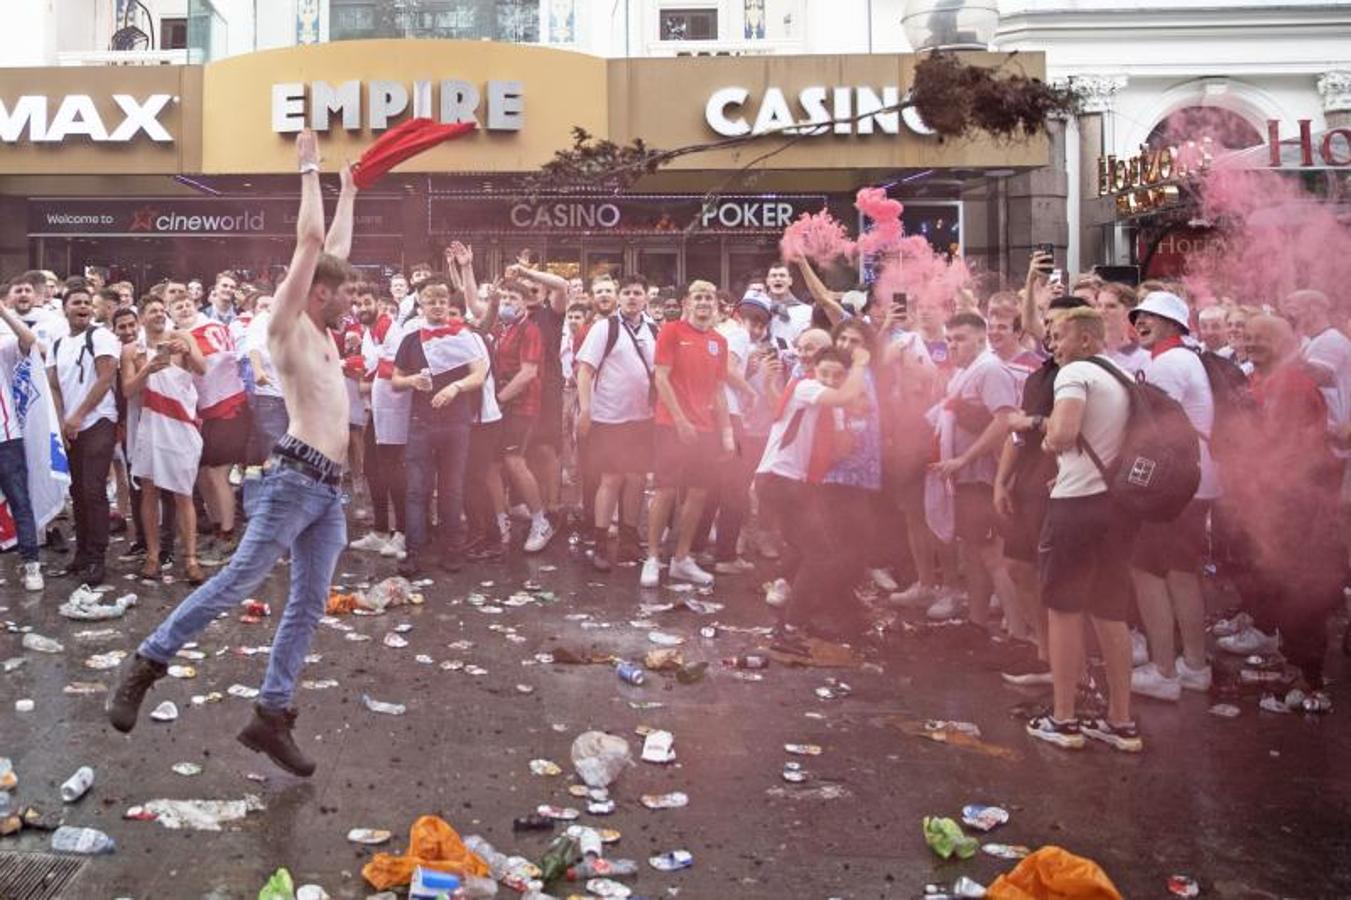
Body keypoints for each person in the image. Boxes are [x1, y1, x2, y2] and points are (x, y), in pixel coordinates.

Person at [108, 131, 359, 778]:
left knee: (308, 604)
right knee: (239, 581)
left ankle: (271, 714)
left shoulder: (325, 326)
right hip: (294, 480)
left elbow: (331, 250)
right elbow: (313, 243)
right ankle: (147, 662)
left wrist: (351, 190)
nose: (352, 299)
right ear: (318, 293)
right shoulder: (287, 325)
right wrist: (311, 169)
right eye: (344, 292)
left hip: (328, 490)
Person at [1026, 307, 1141, 753]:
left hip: (1076, 506)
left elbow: (1063, 434)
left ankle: (1063, 719)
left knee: (1064, 609)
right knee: (1111, 612)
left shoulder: (1074, 373)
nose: (1053, 345)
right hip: (1117, 507)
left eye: (1060, 337)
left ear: (1087, 340)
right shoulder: (1121, 375)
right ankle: (1121, 722)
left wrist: (1044, 433)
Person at [1227, 315, 1341, 711]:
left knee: (1298, 587)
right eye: (1248, 336)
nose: (1251, 343)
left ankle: (1308, 679)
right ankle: (1291, 662)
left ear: (1285, 343)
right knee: (1276, 584)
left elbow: (1289, 446)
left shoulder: (1292, 384)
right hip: (1269, 501)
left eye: (1262, 338)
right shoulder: (1263, 380)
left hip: (1295, 503)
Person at [995, 296, 1093, 685]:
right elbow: (1016, 431)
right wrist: (1002, 480)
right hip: (1028, 482)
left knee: (1057, 578)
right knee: (1019, 567)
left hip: (1064, 484)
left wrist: (1033, 421)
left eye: (1058, 325)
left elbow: (1070, 428)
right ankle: (1045, 654)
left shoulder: (1084, 373)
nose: (1050, 332)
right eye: (1047, 324)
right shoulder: (1040, 375)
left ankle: (1073, 669)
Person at [1125, 291, 1217, 701]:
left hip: (1174, 489)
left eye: (1152, 316)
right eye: (1139, 316)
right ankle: (1194, 665)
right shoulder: (1180, 358)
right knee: (1181, 573)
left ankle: (1164, 670)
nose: (1141, 322)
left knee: (1148, 571)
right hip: (1193, 484)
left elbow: (1148, 429)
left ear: (1174, 324)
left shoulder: (1170, 363)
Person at [754, 344, 872, 636]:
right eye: (825, 373)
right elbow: (843, 396)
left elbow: (840, 448)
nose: (830, 380)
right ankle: (794, 622)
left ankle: (790, 600)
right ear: (814, 371)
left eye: (837, 375)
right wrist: (860, 364)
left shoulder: (831, 407)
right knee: (819, 553)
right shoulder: (806, 387)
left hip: (794, 482)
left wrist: (853, 424)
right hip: (781, 479)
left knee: (809, 548)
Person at [926, 313, 1020, 629]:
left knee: (993, 557)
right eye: (949, 339)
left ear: (981, 339)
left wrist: (964, 459)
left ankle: (1019, 632)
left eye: (960, 338)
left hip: (985, 477)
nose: (953, 345)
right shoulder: (963, 372)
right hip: (966, 479)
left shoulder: (990, 369)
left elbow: (1004, 420)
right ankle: (977, 622)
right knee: (973, 551)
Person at [391, 280, 488, 575]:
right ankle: (414, 551)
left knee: (451, 489)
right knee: (416, 490)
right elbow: (395, 380)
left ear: (448, 304)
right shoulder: (411, 339)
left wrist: (455, 387)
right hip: (421, 423)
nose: (437, 306)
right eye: (430, 301)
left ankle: (452, 550)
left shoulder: (463, 336)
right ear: (420, 306)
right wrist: (412, 381)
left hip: (456, 423)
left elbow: (479, 375)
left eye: (442, 301)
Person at [642, 280, 733, 588]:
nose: (704, 302)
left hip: (705, 429)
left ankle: (681, 559)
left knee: (698, 494)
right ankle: (652, 557)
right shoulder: (671, 331)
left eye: (709, 297)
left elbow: (719, 390)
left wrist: (727, 432)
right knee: (665, 491)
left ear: (716, 304)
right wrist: (680, 421)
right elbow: (661, 379)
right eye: (698, 297)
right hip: (671, 425)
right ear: (687, 303)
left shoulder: (719, 342)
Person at [121, 296, 207, 584]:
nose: (159, 314)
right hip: (150, 425)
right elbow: (128, 390)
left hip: (182, 424)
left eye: (161, 310)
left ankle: (191, 559)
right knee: (149, 490)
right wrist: (148, 368)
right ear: (142, 318)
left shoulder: (181, 337)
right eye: (152, 311)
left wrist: (188, 351)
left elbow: (202, 368)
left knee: (183, 492)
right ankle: (153, 556)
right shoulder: (132, 350)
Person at [575, 273, 658, 572]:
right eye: (627, 293)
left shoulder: (653, 329)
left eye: (638, 293)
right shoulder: (604, 328)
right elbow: (584, 371)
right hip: (609, 417)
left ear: (646, 298)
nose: (632, 298)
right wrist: (585, 410)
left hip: (642, 418)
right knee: (611, 478)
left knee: (636, 478)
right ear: (619, 297)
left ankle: (628, 540)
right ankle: (599, 541)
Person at [47, 279, 121, 586]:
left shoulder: (101, 336)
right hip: (71, 427)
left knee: (93, 490)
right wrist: (62, 422)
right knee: (77, 491)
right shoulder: (58, 344)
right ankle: (82, 553)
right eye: (76, 302)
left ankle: (97, 557)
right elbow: (54, 386)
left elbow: (105, 378)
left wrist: (78, 415)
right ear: (65, 308)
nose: (82, 307)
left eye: (87, 303)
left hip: (98, 420)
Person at [172, 287, 251, 558]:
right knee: (204, 474)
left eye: (187, 303)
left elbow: (208, 364)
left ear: (195, 304)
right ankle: (218, 529)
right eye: (178, 306)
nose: (184, 308)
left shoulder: (208, 328)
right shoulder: (184, 334)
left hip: (228, 406)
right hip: (207, 412)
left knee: (217, 474)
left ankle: (228, 536)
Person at [491, 278, 555, 552]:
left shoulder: (530, 330)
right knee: (491, 464)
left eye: (513, 298)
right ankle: (500, 520)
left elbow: (528, 373)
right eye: (504, 298)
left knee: (514, 460)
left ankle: (541, 522)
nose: (506, 302)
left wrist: (498, 399)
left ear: (525, 303)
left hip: (521, 406)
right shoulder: (502, 328)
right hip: (501, 406)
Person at [0, 297, 44, 591]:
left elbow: (29, 341)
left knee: (20, 501)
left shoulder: (2, 346)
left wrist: (3, 311)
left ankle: (31, 564)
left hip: (6, 437)